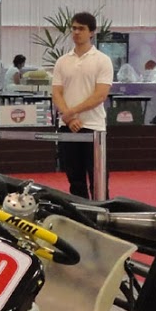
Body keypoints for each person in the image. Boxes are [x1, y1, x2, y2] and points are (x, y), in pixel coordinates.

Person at [50, 11, 113, 199]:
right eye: (74, 28)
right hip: (68, 127)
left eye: (81, 29)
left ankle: (101, 213)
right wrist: (69, 119)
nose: (76, 32)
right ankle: (80, 213)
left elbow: (100, 95)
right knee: (75, 179)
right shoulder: (62, 61)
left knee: (98, 180)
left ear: (91, 32)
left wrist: (71, 112)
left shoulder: (102, 60)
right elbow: (56, 93)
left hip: (93, 127)